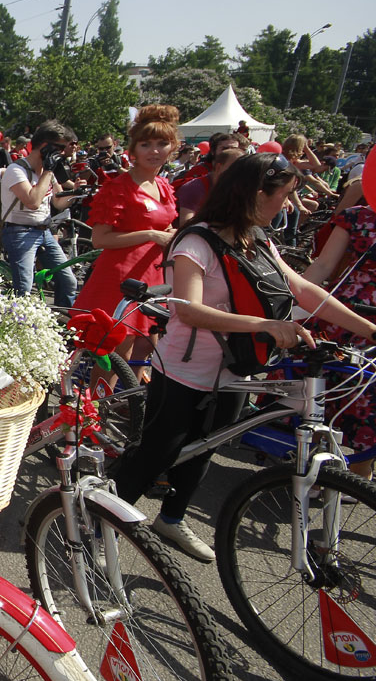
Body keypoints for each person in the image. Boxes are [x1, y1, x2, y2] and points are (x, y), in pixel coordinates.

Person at [110, 153, 376, 562]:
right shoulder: (195, 240)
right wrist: (263, 325)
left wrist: (370, 329)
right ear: (255, 194)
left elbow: (304, 289)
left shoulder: (257, 237)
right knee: (156, 454)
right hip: (184, 369)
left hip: (236, 369)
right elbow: (188, 310)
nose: (288, 205)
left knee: (204, 449)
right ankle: (101, 525)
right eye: (284, 196)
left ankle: (172, 520)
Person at [72, 105, 180, 368]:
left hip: (155, 276)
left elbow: (162, 226)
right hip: (122, 279)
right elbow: (100, 239)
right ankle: (97, 406)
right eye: (146, 144)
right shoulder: (119, 187)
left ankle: (125, 405)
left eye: (162, 143)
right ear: (133, 150)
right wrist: (151, 234)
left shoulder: (163, 185)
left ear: (172, 147)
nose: (154, 151)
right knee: (117, 356)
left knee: (146, 353)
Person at [301, 203, 376, 479]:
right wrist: (294, 297)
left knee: (369, 396)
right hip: (344, 312)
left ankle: (360, 474)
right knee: (325, 385)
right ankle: (314, 465)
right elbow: (323, 263)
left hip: (353, 311)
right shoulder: (358, 215)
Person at [0, 119, 80, 306]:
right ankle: (18, 327)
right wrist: (48, 172)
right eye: (59, 148)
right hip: (19, 231)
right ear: (45, 147)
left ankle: (65, 324)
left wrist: (76, 192)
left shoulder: (46, 171)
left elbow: (58, 203)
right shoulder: (16, 169)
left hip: (44, 230)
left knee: (68, 281)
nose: (62, 154)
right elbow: (33, 201)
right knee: (24, 288)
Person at [176, 147, 244, 226]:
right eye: (235, 168)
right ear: (219, 167)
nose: (240, 173)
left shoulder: (235, 188)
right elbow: (185, 224)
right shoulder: (195, 188)